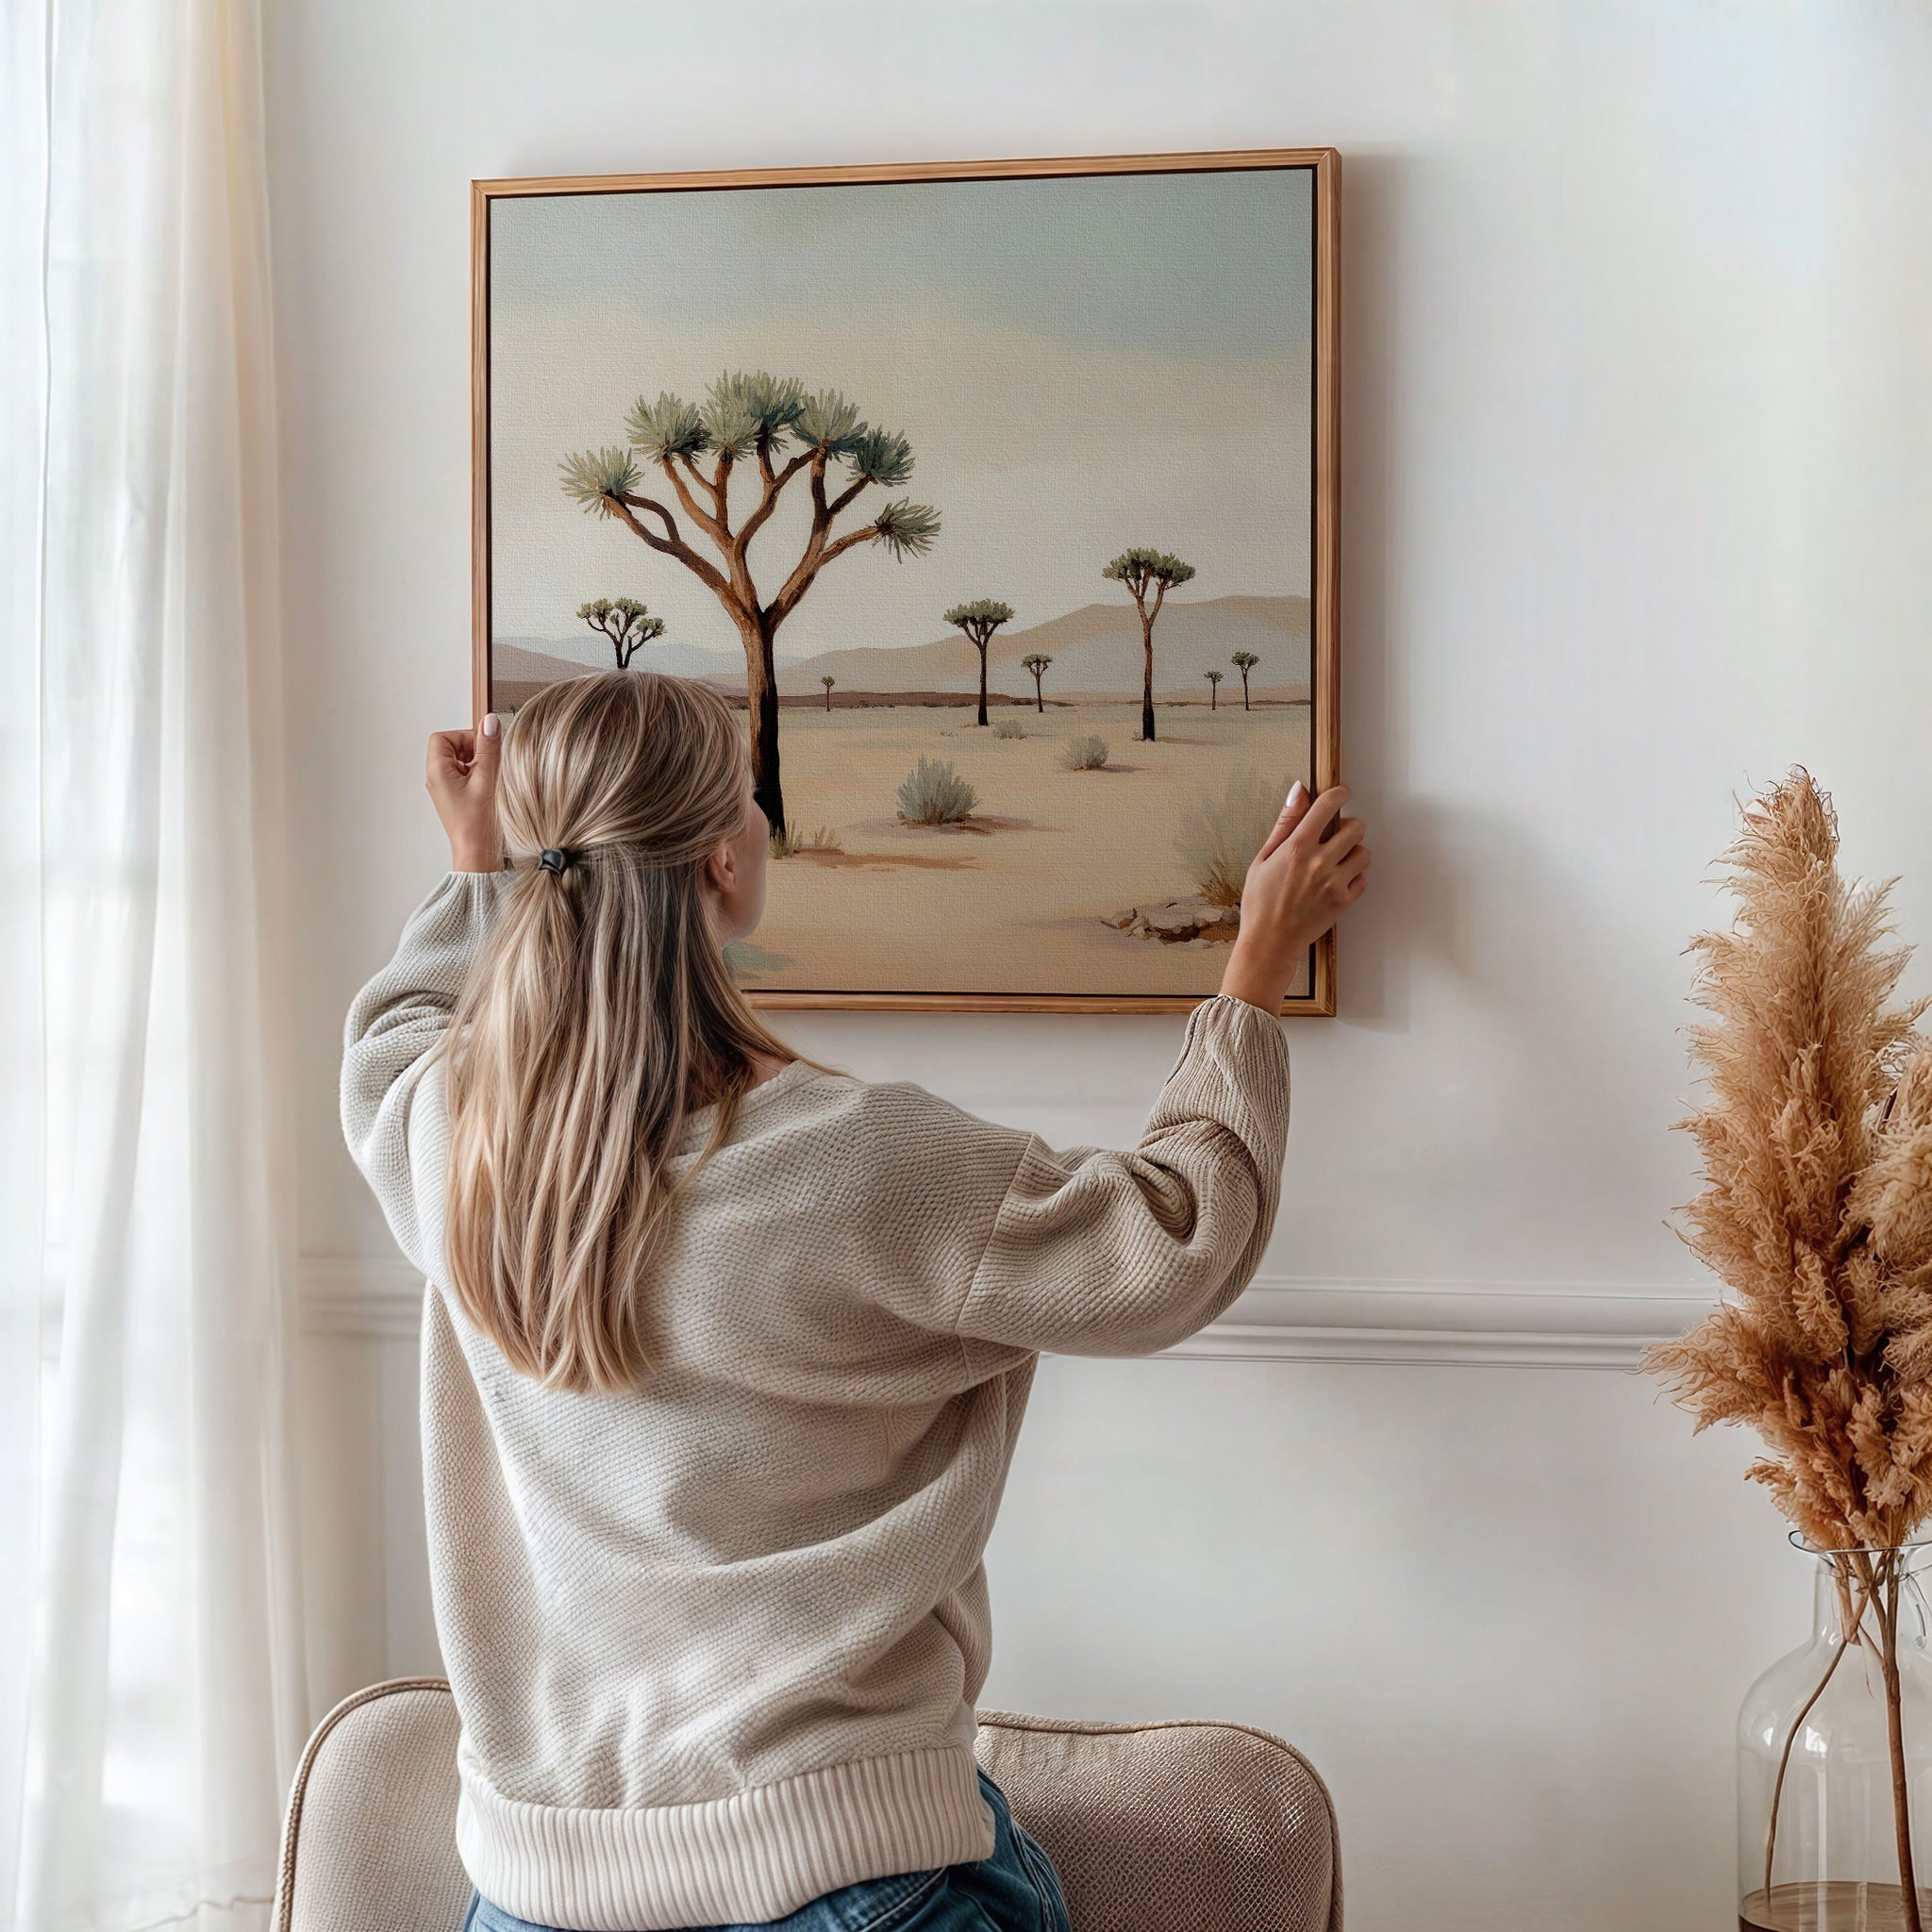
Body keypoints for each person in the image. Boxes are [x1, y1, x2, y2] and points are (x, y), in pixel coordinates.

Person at [341, 670, 1370, 1932]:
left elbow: (391, 1032)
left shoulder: (453, 1141)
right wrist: (1255, 962)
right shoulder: (857, 1162)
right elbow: (1171, 1240)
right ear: (724, 863)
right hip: (841, 1882)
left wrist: (477, 866)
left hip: (531, 1899)